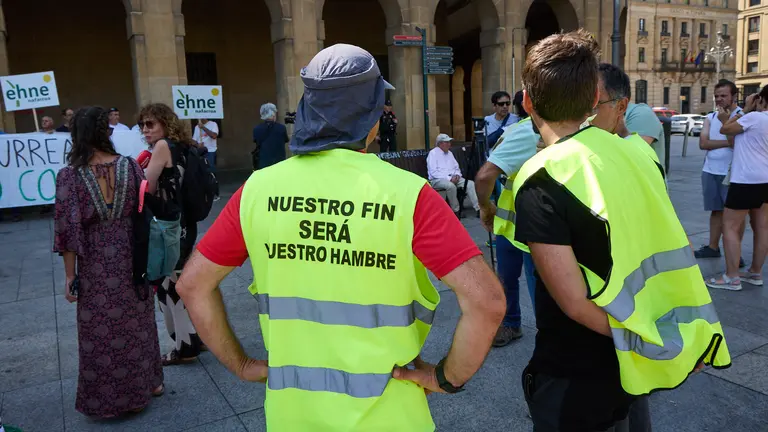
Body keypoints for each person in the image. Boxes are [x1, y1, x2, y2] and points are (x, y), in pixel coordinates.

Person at [176, 43, 506, 431]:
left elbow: (193, 285)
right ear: (371, 120)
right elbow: (486, 303)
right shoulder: (409, 195)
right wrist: (445, 378)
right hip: (389, 417)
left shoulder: (256, 191)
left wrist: (242, 364)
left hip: (291, 417)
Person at [508, 30, 730, 431]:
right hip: (629, 366)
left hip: (577, 371)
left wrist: (650, 342)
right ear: (594, 99)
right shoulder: (636, 153)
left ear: (526, 102)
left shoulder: (541, 178)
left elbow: (574, 304)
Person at [53, 106, 164, 418]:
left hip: (96, 263)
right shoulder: (130, 165)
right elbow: (142, 205)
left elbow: (68, 231)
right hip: (131, 255)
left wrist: (69, 276)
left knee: (99, 329)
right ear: (105, 132)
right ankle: (149, 384)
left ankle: (109, 401)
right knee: (137, 323)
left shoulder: (70, 176)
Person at [138, 103, 205, 365]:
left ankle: (184, 347)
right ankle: (194, 337)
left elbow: (147, 187)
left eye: (150, 124)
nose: (145, 130)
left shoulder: (163, 147)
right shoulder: (187, 146)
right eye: (142, 124)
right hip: (186, 224)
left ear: (165, 123)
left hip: (168, 226)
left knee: (168, 287)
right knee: (182, 282)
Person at [476, 92, 538, 347]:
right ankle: (514, 325)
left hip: (525, 225)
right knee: (529, 283)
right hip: (518, 223)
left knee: (510, 279)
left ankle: (517, 326)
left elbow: (484, 177)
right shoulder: (526, 132)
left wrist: (484, 207)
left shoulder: (520, 132)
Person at [707, 89, 768, 291]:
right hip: (765, 180)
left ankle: (732, 277)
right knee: (762, 228)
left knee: (730, 226)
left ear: (761, 100)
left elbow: (726, 130)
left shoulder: (755, 117)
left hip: (745, 180)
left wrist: (745, 110)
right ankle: (755, 272)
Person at [695, 80, 745, 263]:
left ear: (733, 96)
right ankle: (713, 247)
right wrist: (726, 143)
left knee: (734, 216)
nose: (719, 99)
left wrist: (726, 124)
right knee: (715, 211)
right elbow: (703, 143)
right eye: (717, 96)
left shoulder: (742, 117)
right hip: (710, 170)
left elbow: (737, 144)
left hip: (732, 173)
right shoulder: (710, 117)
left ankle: (736, 254)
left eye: (724, 95)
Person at [427, 133, 481, 217]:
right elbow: (434, 172)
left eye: (449, 142)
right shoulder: (433, 154)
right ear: (440, 143)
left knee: (470, 184)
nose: (449, 144)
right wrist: (449, 178)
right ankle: (456, 210)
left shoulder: (450, 153)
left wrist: (457, 175)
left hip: (453, 178)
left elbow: (456, 167)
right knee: (451, 186)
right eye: (447, 142)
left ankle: (479, 208)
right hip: (437, 180)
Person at [252, 102, 288, 170]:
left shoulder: (256, 129)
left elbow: (256, 141)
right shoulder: (281, 128)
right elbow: (285, 140)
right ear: (274, 114)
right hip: (279, 163)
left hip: (263, 163)